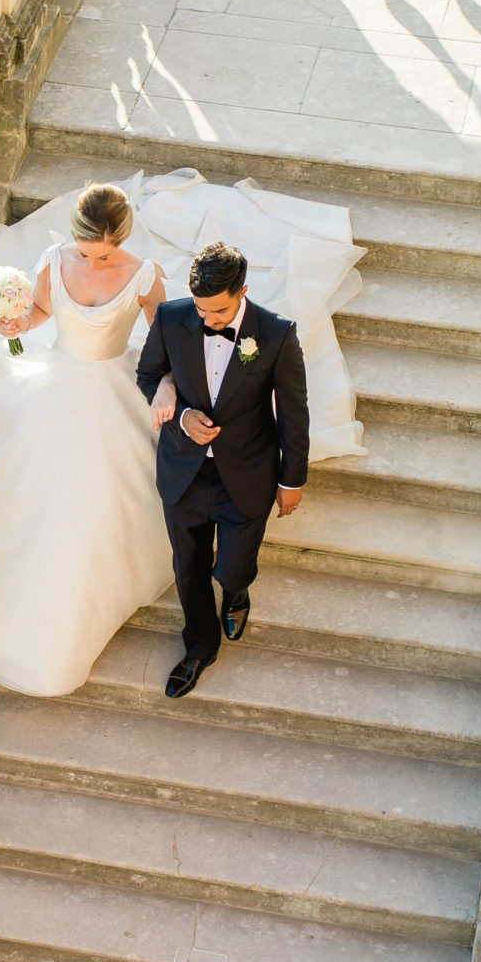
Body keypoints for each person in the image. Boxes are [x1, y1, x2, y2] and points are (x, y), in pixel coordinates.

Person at [0, 168, 366, 699]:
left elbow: (163, 345)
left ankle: (227, 590)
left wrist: (168, 385)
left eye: (103, 254)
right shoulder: (54, 263)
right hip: (55, 389)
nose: (93, 263)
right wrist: (18, 324)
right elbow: (42, 311)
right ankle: (159, 633)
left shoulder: (147, 278)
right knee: (49, 495)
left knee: (143, 517)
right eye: (85, 252)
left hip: (115, 394)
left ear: (120, 241)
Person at [136, 241, 307, 698]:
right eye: (201, 309)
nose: (207, 320)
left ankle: (236, 591)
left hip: (247, 475)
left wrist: (292, 479)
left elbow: (293, 413)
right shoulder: (172, 318)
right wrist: (178, 407)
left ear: (243, 291)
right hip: (183, 472)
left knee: (231, 568)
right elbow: (148, 374)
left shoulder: (276, 334)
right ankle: (199, 647)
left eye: (218, 311)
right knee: (188, 567)